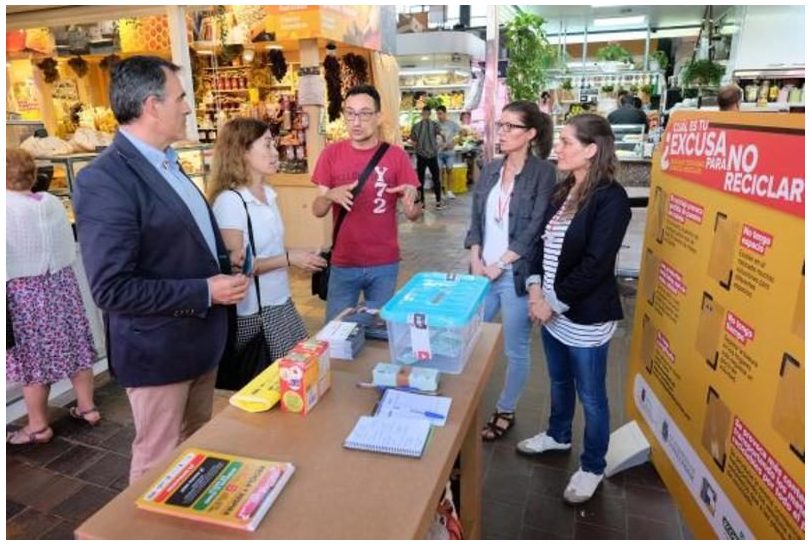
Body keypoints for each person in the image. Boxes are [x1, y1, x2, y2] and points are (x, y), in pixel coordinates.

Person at [74, 56, 250, 483]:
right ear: (152, 106)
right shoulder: (106, 179)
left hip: (198, 345)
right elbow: (112, 289)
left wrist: (223, 261)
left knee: (195, 452)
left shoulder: (169, 163)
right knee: (158, 464)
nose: (187, 108)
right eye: (180, 98)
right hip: (158, 353)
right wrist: (206, 291)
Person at [517, 114, 631, 504]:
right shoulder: (564, 189)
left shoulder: (610, 199)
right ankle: (558, 434)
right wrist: (535, 290)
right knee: (560, 381)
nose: (558, 149)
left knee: (592, 396)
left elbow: (596, 264)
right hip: (551, 312)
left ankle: (592, 466)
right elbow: (538, 245)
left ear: (592, 149)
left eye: (566, 142)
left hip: (584, 316)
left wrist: (553, 302)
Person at [464, 101, 557, 441]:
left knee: (515, 348)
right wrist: (475, 257)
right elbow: (475, 216)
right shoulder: (490, 167)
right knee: (468, 336)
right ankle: (465, 400)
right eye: (499, 125)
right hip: (480, 271)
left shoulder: (543, 172)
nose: (501, 132)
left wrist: (499, 264)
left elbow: (535, 227)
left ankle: (505, 409)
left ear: (530, 134)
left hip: (515, 275)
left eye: (509, 127)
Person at [209, 118, 326, 368]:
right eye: (267, 145)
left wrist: (295, 254)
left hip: (280, 303)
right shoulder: (231, 202)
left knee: (300, 378)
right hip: (255, 313)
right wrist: (289, 259)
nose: (275, 153)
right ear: (242, 151)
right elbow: (237, 268)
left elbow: (266, 250)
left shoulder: (268, 194)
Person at [6, 148, 99, 445]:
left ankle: (37, 426)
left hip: (25, 292)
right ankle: (88, 408)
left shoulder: (4, 207)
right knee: (76, 347)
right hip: (62, 285)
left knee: (35, 359)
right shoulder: (52, 203)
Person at [311, 84, 421, 322]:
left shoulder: (396, 156)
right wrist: (330, 196)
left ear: (378, 116)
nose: (356, 121)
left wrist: (413, 202)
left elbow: (414, 214)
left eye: (364, 113)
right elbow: (318, 210)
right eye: (350, 113)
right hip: (343, 262)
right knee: (336, 331)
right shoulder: (331, 154)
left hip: (384, 263)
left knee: (378, 330)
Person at [410, 105, 446, 209]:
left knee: (420, 180)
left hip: (421, 156)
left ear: (422, 113)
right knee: (436, 179)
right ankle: (438, 202)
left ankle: (422, 203)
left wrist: (418, 148)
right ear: (430, 114)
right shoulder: (435, 125)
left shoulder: (416, 126)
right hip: (432, 156)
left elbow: (413, 141)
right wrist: (441, 145)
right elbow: (442, 135)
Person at [436, 105, 461, 200]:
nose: (439, 116)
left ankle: (449, 191)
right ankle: (441, 191)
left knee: (449, 171)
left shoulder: (452, 124)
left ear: (445, 113)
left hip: (449, 152)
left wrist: (454, 142)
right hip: (438, 153)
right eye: (437, 114)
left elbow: (462, 132)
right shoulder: (435, 124)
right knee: (439, 172)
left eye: (440, 114)